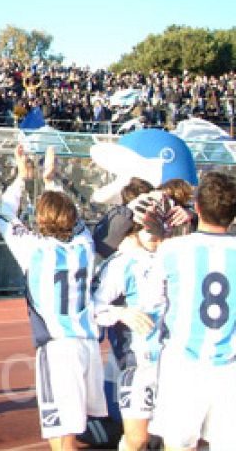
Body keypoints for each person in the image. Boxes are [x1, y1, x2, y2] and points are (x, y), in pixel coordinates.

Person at [0, 145, 106, 451]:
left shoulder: (34, 250)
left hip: (59, 347)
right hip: (88, 343)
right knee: (64, 433)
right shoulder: (85, 247)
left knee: (64, 436)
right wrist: (50, 179)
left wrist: (22, 176)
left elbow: (4, 213)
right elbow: (76, 220)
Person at [148, 171, 236, 451]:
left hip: (183, 364)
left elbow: (151, 301)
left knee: (177, 445)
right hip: (229, 366)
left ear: (197, 208)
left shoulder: (172, 250)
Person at [92, 189, 168, 451]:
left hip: (177, 362)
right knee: (138, 438)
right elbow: (93, 306)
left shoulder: (179, 255)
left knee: (172, 438)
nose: (157, 238)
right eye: (151, 230)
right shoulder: (123, 263)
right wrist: (122, 313)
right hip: (140, 363)